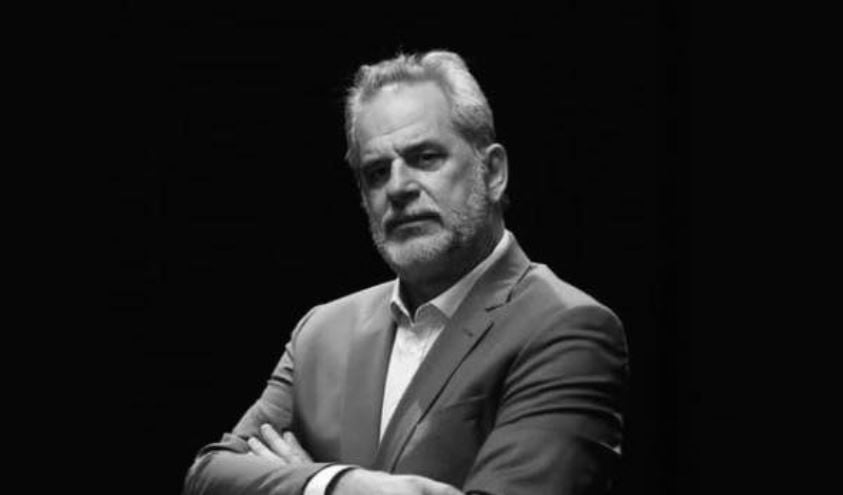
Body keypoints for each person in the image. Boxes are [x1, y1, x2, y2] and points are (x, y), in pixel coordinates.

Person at [183, 50, 629, 495]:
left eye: (426, 157)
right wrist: (334, 484)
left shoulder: (567, 327)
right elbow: (208, 477)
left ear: (493, 173)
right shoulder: (321, 332)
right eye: (377, 172)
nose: (397, 188)